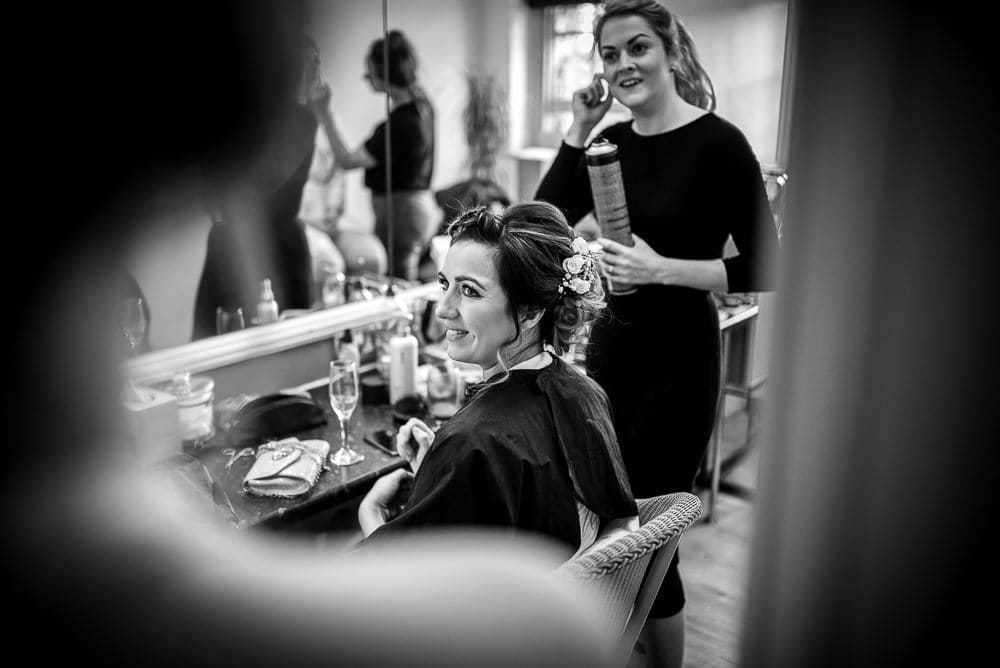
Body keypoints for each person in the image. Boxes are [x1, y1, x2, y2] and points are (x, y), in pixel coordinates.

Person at [533, 1, 781, 665]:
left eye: (636, 48)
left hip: (681, 362)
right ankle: (620, 638)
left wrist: (659, 267)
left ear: (670, 53)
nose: (622, 65)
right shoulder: (610, 142)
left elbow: (766, 263)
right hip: (614, 353)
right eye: (609, 55)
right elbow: (544, 222)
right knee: (611, 512)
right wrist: (579, 125)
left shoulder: (720, 144)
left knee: (649, 532)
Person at [357, 202, 639, 561]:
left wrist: (373, 514)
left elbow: (407, 578)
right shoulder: (585, 392)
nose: (443, 308)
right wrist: (438, 472)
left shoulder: (471, 442)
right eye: (445, 284)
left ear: (531, 311)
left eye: (470, 291)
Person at [190, 35, 322, 339]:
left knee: (287, 336)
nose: (313, 68)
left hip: (280, 239)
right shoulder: (260, 122)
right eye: (306, 60)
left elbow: (268, 185)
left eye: (316, 60)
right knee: (220, 335)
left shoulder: (302, 119)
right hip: (237, 234)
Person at [309, 29, 437, 283]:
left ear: (384, 74)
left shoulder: (399, 126)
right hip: (418, 208)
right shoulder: (423, 104)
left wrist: (325, 113)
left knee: (399, 286)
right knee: (403, 281)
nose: (366, 78)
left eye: (370, 72)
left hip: (402, 213)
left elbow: (347, 160)